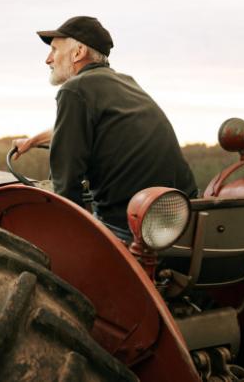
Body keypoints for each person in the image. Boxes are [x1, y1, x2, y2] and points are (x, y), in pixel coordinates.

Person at [13, 16, 197, 242]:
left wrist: (67, 228)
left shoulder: (75, 89)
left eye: (54, 50)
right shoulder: (123, 82)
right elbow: (78, 131)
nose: (48, 59)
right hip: (181, 215)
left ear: (78, 52)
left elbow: (67, 179)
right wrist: (32, 141)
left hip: (131, 225)